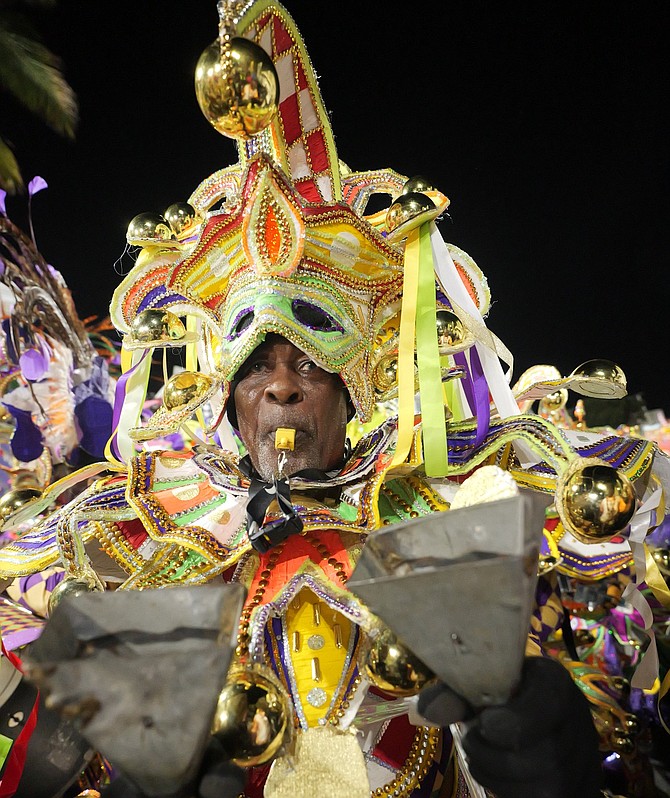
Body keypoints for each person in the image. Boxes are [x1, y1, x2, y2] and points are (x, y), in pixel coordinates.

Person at [0, 2, 668, 796]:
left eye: (311, 362)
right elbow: (37, 771)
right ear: (227, 397)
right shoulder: (142, 552)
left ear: (357, 391)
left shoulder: (445, 531)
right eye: (256, 366)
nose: (282, 383)